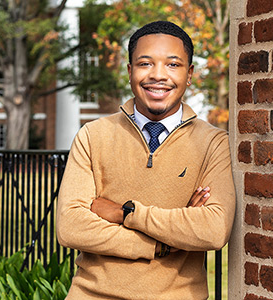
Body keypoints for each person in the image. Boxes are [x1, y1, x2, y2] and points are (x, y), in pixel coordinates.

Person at [57, 20, 235, 300]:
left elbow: (212, 230)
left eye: (173, 64)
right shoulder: (93, 135)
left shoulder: (214, 143)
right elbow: (71, 227)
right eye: (145, 63)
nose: (159, 75)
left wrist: (125, 213)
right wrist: (164, 243)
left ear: (189, 74)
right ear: (130, 71)